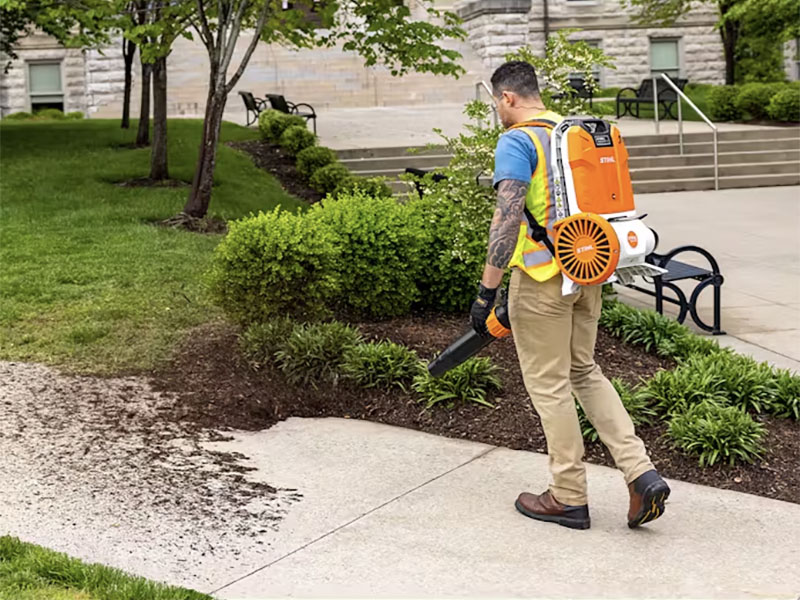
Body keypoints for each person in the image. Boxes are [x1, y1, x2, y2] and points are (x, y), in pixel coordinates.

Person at [470, 61, 670, 530]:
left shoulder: (517, 140)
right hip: (586, 270)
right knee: (584, 370)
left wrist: (486, 291)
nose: (497, 111)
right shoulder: (569, 132)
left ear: (507, 99)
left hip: (540, 280)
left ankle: (568, 495)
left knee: (549, 385)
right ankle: (641, 473)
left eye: (496, 103)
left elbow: (507, 217)